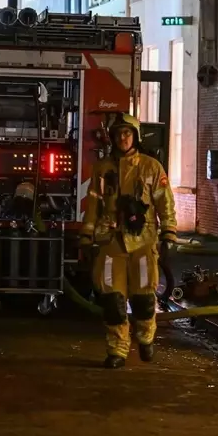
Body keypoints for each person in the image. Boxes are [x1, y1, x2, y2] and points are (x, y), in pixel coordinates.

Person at [81, 113, 178, 368]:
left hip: (142, 242)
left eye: (127, 133)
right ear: (113, 138)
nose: (123, 138)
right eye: (119, 133)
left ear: (135, 136)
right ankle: (117, 350)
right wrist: (86, 236)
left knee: (144, 299)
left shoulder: (151, 167)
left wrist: (169, 233)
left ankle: (146, 338)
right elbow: (93, 205)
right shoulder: (102, 169)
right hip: (110, 242)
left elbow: (164, 202)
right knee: (112, 300)